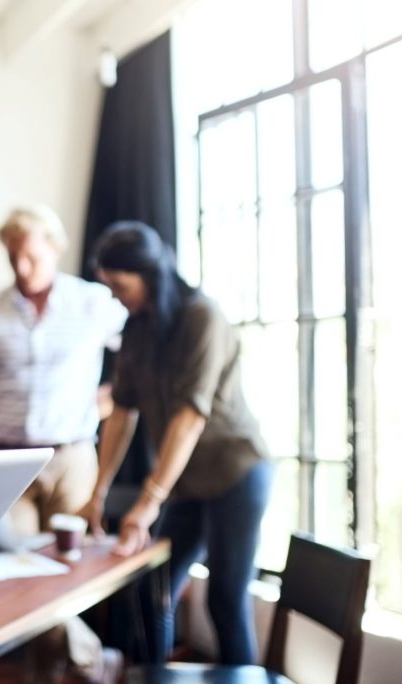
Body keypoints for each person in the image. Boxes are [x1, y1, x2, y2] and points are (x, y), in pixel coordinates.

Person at [79, 221, 274, 666]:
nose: (114, 294)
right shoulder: (137, 329)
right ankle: (155, 677)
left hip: (235, 474)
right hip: (187, 482)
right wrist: (98, 490)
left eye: (119, 284)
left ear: (149, 274)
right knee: (154, 586)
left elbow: (189, 418)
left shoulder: (201, 316)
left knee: (224, 599)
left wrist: (148, 501)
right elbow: (122, 412)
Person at [0, 204, 127, 684]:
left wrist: (107, 402)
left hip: (73, 456)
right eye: (12, 258)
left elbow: (138, 360)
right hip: (10, 460)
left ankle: (45, 674)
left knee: (72, 569)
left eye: (29, 256)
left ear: (55, 248)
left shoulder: (94, 302)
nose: (21, 267)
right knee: (20, 575)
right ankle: (91, 658)